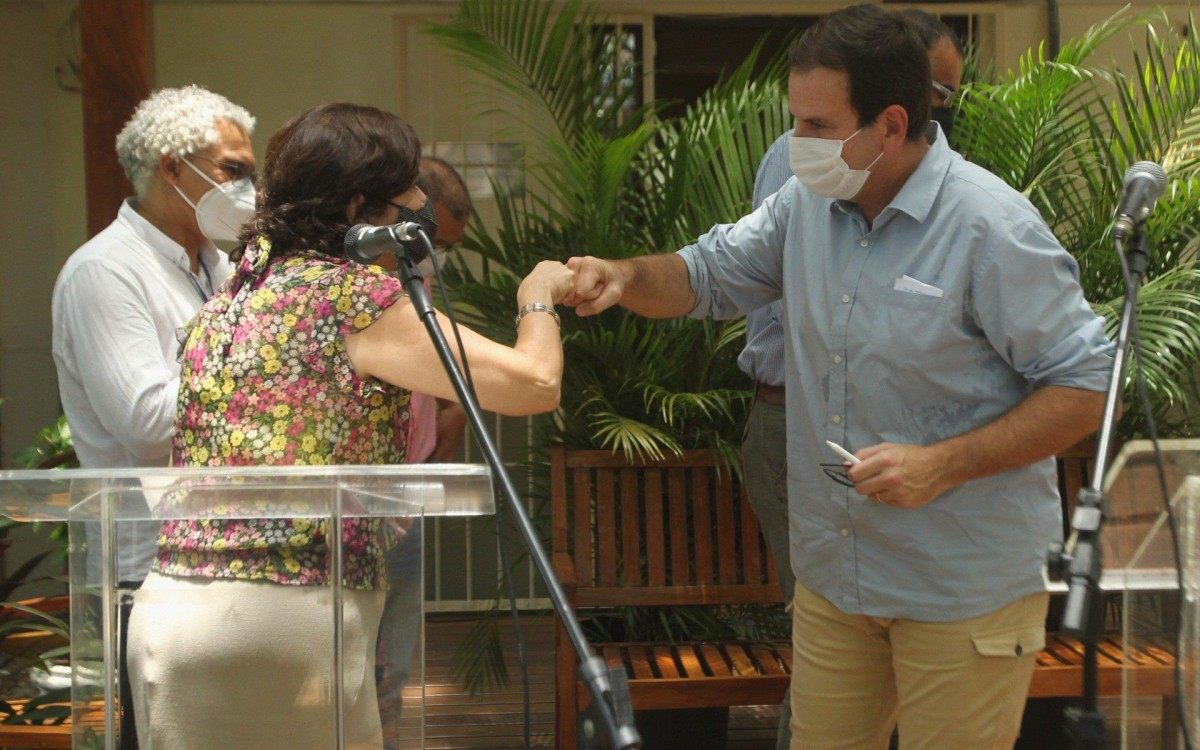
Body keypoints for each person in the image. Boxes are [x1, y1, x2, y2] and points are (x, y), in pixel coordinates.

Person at [564, 6, 1113, 748]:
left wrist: (944, 464)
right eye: (798, 121)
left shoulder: (993, 228)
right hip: (838, 577)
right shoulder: (805, 205)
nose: (798, 145)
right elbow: (703, 275)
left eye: (818, 126)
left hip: (960, 587)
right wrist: (621, 275)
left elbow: (1084, 386)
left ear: (890, 124)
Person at [124, 102, 572, 750]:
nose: (422, 203)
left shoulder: (228, 300)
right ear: (364, 207)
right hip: (286, 619)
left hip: (171, 615)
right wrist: (539, 294)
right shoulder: (352, 298)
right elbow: (534, 383)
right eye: (409, 190)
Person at [739, 12, 964, 748]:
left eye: (951, 97)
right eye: (933, 89)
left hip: (909, 465)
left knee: (891, 654)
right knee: (829, 645)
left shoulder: (971, 204)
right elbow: (745, 277)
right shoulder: (810, 161)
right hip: (801, 425)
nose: (941, 108)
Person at [50, 84, 256, 749]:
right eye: (234, 170)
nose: (250, 190)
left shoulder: (220, 268)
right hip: (153, 577)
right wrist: (263, 366)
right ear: (173, 167)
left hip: (236, 561)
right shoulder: (105, 273)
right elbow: (146, 423)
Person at [375, 155, 472, 748]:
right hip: (356, 500)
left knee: (395, 669)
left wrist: (451, 411)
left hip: (408, 490)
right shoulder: (358, 279)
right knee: (356, 667)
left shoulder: (417, 272)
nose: (439, 257)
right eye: (438, 241)